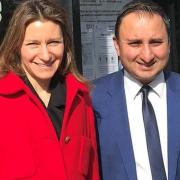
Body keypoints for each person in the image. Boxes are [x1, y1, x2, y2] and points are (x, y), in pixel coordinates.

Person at [0, 0, 100, 179]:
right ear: (16, 46)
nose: (46, 55)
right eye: (33, 44)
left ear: (65, 45)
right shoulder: (3, 101)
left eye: (54, 42)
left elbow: (92, 171)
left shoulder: (80, 99)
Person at [92, 0, 180, 180]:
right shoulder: (92, 98)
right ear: (117, 45)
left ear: (169, 44)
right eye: (135, 43)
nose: (147, 55)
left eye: (156, 42)